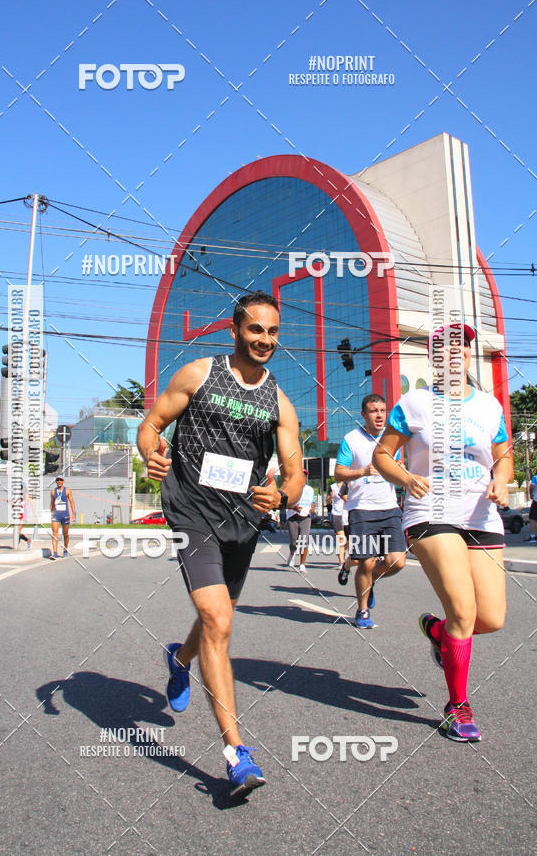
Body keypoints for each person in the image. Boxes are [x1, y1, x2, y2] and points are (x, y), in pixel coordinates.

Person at [137, 291, 304, 797]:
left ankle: (180, 659)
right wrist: (152, 455)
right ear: (235, 330)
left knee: (217, 616)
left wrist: (280, 494)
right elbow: (151, 425)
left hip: (242, 521)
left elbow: (294, 476)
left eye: (273, 332)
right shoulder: (198, 374)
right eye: (256, 330)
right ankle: (236, 753)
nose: (265, 340)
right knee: (219, 620)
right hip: (191, 509)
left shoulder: (278, 401)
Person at [373, 323, 511, 742]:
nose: (456, 355)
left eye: (463, 349)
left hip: (482, 516)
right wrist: (404, 478)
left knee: (490, 618)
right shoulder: (414, 403)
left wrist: (503, 479)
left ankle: (438, 631)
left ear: (470, 356)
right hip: (430, 512)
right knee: (463, 612)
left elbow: (503, 459)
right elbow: (382, 456)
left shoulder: (489, 407)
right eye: (446, 350)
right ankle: (457, 707)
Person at [334, 394, 406, 629]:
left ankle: (369, 580)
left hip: (389, 507)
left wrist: (400, 470)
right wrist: (362, 472)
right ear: (364, 415)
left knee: (397, 562)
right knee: (364, 562)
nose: (379, 415)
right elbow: (339, 473)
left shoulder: (392, 438)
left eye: (383, 410)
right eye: (374, 411)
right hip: (361, 509)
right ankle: (362, 610)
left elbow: (398, 469)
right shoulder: (351, 439)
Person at [286, 470, 315, 573]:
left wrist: (312, 509)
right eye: (302, 476)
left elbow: (313, 502)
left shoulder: (310, 489)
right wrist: (294, 508)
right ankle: (292, 553)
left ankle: (302, 565)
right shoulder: (290, 488)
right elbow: (285, 503)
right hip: (293, 516)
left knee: (304, 541)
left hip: (305, 517)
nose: (304, 478)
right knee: (294, 542)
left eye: (305, 476)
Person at [50, 476, 76, 559]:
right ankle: (54, 552)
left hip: (65, 514)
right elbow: (52, 503)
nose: (59, 481)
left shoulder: (67, 490)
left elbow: (72, 502)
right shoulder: (53, 492)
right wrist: (51, 513)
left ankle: (65, 550)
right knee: (55, 533)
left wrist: (73, 514)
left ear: (63, 481)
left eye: (60, 480)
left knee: (65, 534)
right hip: (56, 514)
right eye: (57, 480)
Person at [328, 480, 348, 568]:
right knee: (341, 538)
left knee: (350, 540)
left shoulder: (349, 485)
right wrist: (331, 497)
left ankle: (342, 550)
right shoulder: (332, 486)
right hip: (336, 514)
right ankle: (341, 562)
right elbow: (327, 501)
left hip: (347, 514)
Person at [528, 473, 537, 543]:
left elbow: (531, 486)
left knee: (533, 518)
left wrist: (531, 494)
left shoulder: (535, 477)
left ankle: (533, 536)